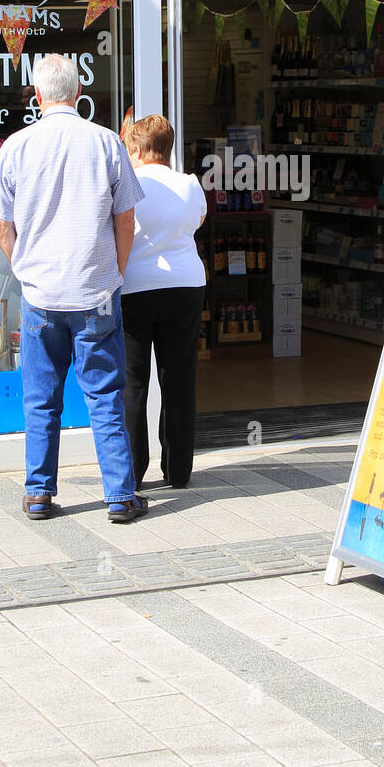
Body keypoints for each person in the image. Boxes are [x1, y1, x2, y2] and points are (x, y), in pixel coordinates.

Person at [0, 54, 148, 524]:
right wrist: (114, 272)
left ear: (37, 97)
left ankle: (38, 493)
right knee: (106, 396)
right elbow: (127, 217)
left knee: (40, 397)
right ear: (78, 94)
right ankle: (119, 495)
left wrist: (25, 269)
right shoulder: (106, 143)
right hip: (96, 292)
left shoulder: (16, 146)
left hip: (41, 296)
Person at [120, 115, 208, 488]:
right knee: (179, 379)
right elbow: (198, 220)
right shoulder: (189, 184)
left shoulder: (128, 184)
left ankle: (132, 472)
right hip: (185, 284)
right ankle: (177, 470)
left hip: (135, 287)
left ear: (138, 150)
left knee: (133, 382)